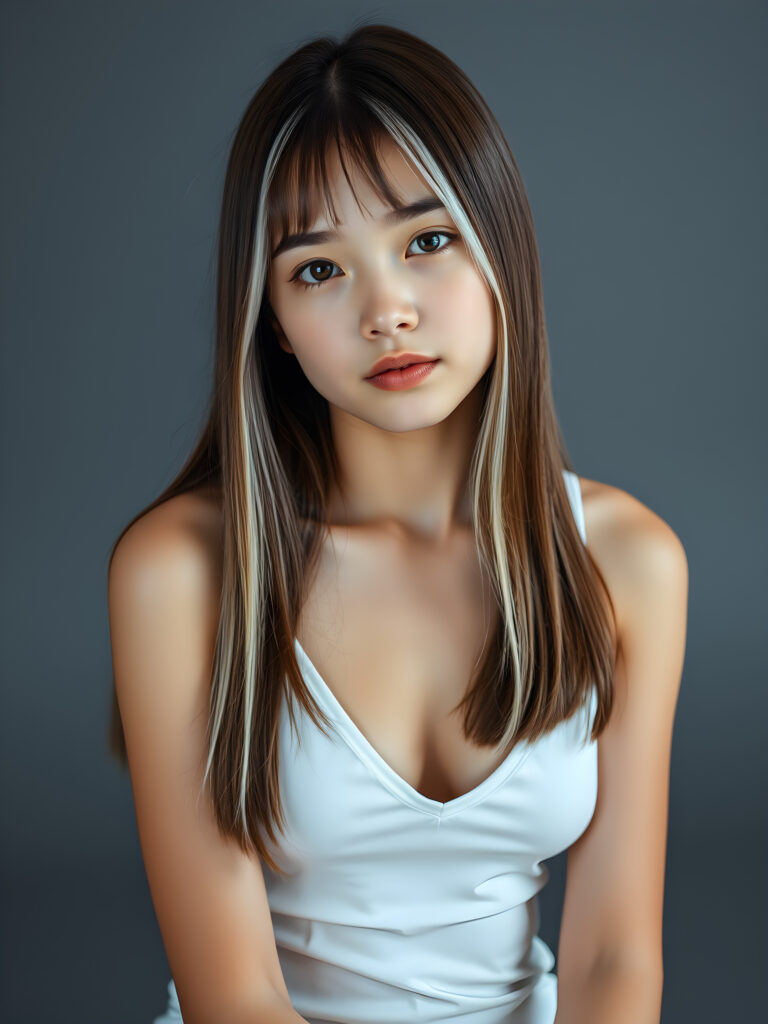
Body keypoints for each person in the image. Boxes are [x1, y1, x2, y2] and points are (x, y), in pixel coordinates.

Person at [106, 22, 688, 1024]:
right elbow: (232, 996)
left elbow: (614, 960)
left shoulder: (626, 559)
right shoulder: (182, 571)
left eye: (426, 241)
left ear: (501, 248)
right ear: (273, 322)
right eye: (318, 269)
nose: (387, 312)